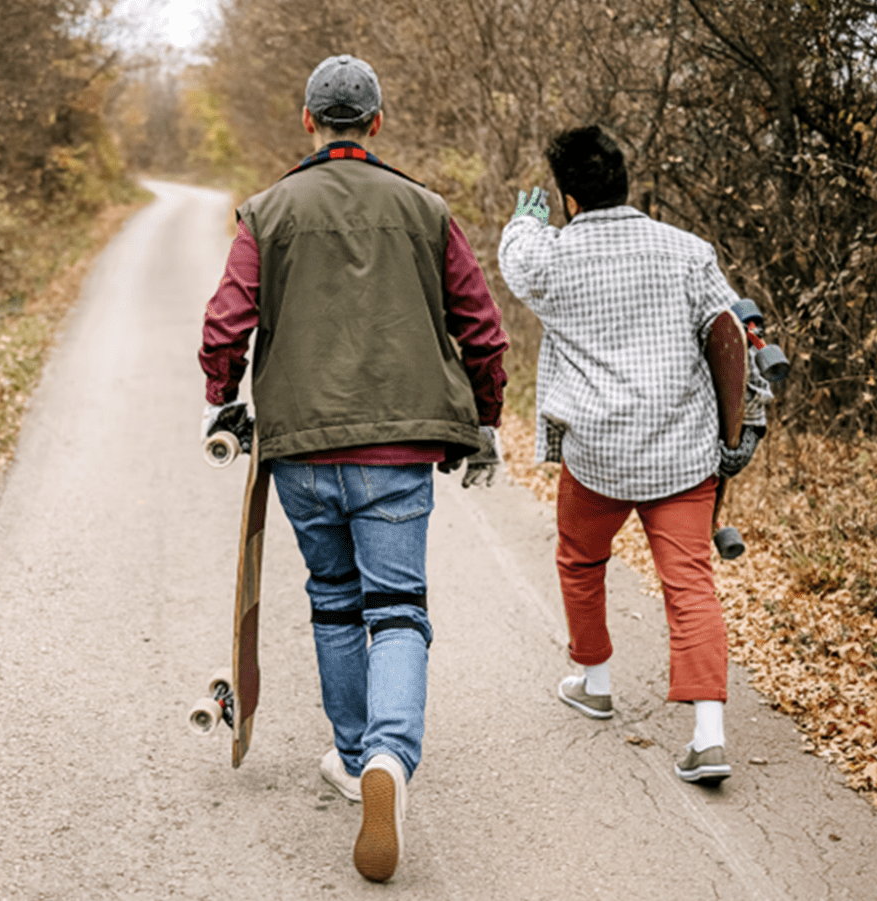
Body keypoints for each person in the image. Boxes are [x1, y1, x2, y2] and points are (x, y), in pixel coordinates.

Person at [198, 54, 509, 882]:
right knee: (399, 608)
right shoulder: (426, 210)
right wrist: (488, 418)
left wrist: (219, 395)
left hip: (300, 447)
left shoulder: (266, 212)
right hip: (401, 449)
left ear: (308, 121)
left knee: (335, 603)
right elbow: (483, 329)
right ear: (376, 123)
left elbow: (225, 324)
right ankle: (389, 761)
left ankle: (349, 752)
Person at [497, 125, 756, 785]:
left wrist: (525, 222)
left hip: (598, 456)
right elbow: (729, 336)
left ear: (570, 199)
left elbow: (517, 255)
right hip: (682, 454)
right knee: (689, 584)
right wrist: (733, 434)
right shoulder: (688, 251)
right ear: (624, 182)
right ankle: (708, 736)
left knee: (581, 560)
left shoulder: (553, 255)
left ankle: (596, 679)